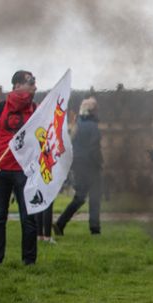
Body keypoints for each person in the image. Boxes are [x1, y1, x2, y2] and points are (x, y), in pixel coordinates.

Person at [0, 70, 38, 265]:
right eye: (31, 82)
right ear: (17, 85)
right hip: (0, 170)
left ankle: (29, 262)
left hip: (25, 172)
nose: (35, 86)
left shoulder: (36, 110)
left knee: (28, 219)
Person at [54, 97, 102, 236]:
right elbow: (94, 148)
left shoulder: (78, 124)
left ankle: (60, 223)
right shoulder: (92, 126)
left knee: (80, 197)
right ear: (92, 110)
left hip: (78, 165)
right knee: (95, 197)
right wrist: (98, 163)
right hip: (91, 166)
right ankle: (95, 229)